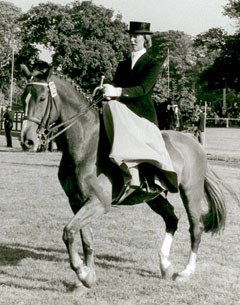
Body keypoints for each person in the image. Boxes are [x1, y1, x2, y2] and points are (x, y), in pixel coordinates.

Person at [102, 21, 178, 202]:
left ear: (146, 39)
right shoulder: (123, 64)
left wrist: (118, 92)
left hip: (141, 115)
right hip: (121, 112)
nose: (132, 39)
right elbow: (116, 85)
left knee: (111, 106)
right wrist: (106, 89)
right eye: (130, 36)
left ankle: (140, 175)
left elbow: (143, 89)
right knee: (107, 107)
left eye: (135, 36)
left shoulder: (153, 64)